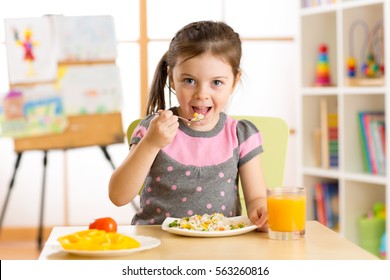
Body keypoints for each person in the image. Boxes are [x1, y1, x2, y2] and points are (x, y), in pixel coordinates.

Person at [109, 20, 268, 231]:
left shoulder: (240, 135)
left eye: (217, 82)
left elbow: (257, 198)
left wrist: (262, 212)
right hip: (158, 246)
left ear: (234, 82)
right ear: (172, 79)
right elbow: (119, 196)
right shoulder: (154, 129)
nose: (202, 94)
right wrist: (150, 144)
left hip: (219, 248)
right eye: (189, 81)